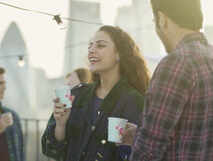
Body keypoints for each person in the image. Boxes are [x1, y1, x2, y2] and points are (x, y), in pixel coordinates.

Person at [120, 0, 213, 160]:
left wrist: (143, 138)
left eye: (154, 21)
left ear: (162, 19)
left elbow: (148, 148)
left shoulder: (176, 63)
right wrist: (138, 133)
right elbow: (197, 132)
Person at [42, 25, 150, 161]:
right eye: (90, 46)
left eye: (100, 46)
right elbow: (51, 151)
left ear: (119, 54)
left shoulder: (134, 101)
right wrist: (61, 124)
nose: (91, 50)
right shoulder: (76, 95)